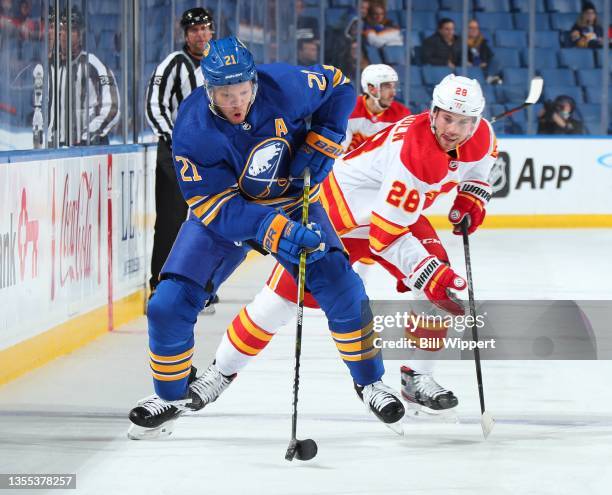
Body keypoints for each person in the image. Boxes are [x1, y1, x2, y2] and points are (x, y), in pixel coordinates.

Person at [127, 36, 405, 440]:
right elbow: (214, 208)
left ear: (253, 81)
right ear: (209, 89)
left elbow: (341, 85)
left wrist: (326, 135)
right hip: (225, 216)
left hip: (292, 202)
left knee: (341, 284)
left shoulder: (285, 85)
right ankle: (170, 397)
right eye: (225, 94)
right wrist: (272, 230)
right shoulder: (190, 127)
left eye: (242, 90)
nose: (236, 101)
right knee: (167, 305)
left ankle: (370, 382)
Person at [215, 74, 497, 415]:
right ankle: (219, 372)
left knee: (439, 291)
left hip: (395, 213)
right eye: (448, 118)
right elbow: (384, 237)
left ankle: (418, 377)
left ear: (477, 122)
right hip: (339, 216)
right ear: (433, 113)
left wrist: (471, 198)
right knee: (278, 302)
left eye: (464, 121)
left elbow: (478, 169)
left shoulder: (482, 136)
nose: (453, 129)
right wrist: (429, 274)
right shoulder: (414, 152)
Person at [145, 7, 215, 300]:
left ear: (212, 31)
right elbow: (154, 105)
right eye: (194, 30)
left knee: (210, 218)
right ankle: (160, 284)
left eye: (205, 28)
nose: (200, 34)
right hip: (174, 152)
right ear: (185, 34)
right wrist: (175, 140)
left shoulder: (219, 64)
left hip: (210, 153)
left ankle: (202, 283)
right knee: (172, 219)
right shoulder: (174, 64)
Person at [47, 7, 120, 146]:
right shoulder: (50, 68)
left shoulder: (92, 64)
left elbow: (112, 107)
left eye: (73, 30)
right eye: (62, 29)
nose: (66, 34)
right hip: (56, 148)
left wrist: (88, 134)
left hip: (88, 148)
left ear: (81, 34)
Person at [343, 64, 410, 151]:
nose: (393, 93)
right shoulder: (349, 109)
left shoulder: (402, 114)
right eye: (387, 87)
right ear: (371, 89)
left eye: (394, 87)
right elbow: (339, 153)